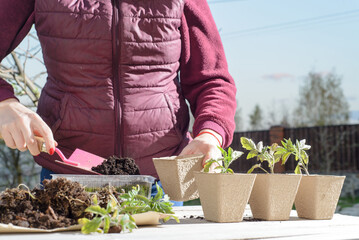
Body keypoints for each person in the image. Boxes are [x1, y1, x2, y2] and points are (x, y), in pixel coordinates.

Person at [0, 0, 237, 204]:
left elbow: (212, 79)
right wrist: (5, 104)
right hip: (67, 180)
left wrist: (211, 134)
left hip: (160, 181)